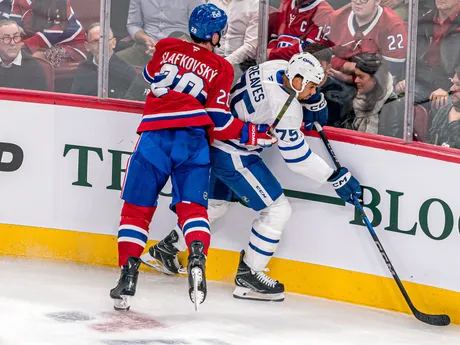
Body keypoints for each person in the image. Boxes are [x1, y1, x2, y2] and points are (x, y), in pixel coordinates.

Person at [143, 52, 363, 302]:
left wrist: (308, 102)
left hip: (213, 141)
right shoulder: (287, 110)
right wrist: (335, 177)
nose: (312, 92)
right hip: (233, 154)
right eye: (310, 87)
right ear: (298, 80)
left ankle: (165, 250)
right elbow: (297, 158)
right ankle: (250, 275)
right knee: (278, 210)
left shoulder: (276, 66)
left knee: (214, 207)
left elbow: (279, 100)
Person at [109, 3, 274, 310]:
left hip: (154, 140)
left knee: (135, 212)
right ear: (215, 34)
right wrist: (254, 134)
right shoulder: (222, 68)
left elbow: (148, 74)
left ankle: (128, 276)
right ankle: (196, 254)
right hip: (192, 143)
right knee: (194, 209)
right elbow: (220, 122)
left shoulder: (166, 46)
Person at [324, 0, 408, 84]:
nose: (357, 2)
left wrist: (349, 78)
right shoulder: (336, 18)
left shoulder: (393, 27)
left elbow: (389, 76)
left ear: (377, 1)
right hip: (333, 77)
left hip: (372, 89)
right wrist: (346, 66)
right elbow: (320, 57)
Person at [395, 0, 460, 103]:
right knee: (393, 99)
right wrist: (405, 79)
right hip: (421, 82)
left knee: (445, 105)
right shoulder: (423, 20)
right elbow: (411, 55)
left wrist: (451, 90)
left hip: (451, 87)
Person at [117, 0, 204, 66]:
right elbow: (133, 25)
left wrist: (170, 45)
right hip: (147, 47)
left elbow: (200, 30)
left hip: (180, 49)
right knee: (114, 62)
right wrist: (145, 38)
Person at [10, 0, 87, 67]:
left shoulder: (61, 2)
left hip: (70, 45)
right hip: (39, 44)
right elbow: (12, 24)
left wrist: (23, 45)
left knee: (34, 59)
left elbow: (53, 34)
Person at [71, 23, 136, 99]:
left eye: (104, 40)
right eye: (95, 41)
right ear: (87, 46)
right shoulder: (83, 69)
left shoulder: (127, 71)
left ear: (113, 43)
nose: (100, 45)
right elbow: (75, 100)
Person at [267, 0, 333, 61]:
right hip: (276, 65)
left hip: (304, 69)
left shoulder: (324, 12)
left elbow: (310, 51)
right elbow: (275, 37)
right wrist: (271, 56)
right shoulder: (286, 2)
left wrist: (272, 54)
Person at [0, 19, 47, 91]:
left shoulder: (34, 68)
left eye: (16, 37)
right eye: (7, 38)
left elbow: (40, 100)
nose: (12, 43)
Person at [427, 66, 460, 148]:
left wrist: (453, 123)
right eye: (453, 83)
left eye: (458, 85)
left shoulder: (453, 116)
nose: (452, 89)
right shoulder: (445, 110)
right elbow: (430, 143)